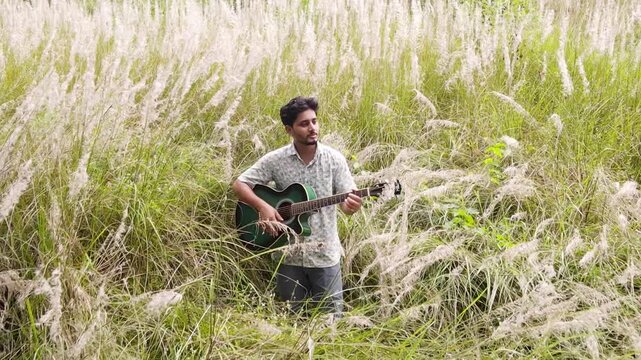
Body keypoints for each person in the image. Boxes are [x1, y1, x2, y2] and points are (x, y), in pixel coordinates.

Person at [232, 96, 362, 315]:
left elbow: (347, 206)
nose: (312, 128)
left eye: (314, 121)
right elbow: (240, 184)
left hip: (324, 255)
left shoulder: (334, 160)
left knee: (330, 320)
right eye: (304, 124)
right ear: (288, 129)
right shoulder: (275, 160)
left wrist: (351, 206)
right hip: (287, 253)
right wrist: (262, 206)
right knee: (292, 318)